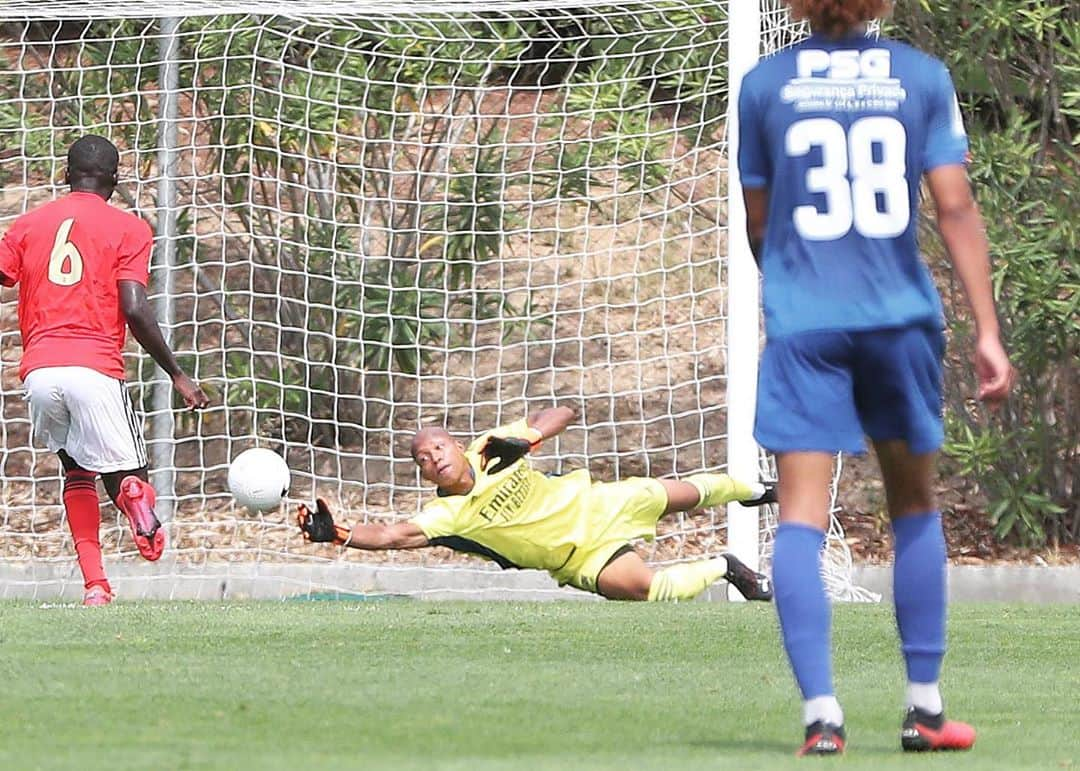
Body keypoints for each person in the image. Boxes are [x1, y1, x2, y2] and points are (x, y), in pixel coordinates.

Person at [737, 0, 1014, 756]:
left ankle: (821, 716)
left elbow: (761, 224)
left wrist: (798, 289)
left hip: (805, 323)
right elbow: (954, 205)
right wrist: (987, 330)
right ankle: (924, 710)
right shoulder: (921, 76)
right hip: (898, 320)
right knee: (914, 503)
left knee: (800, 514)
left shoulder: (764, 84)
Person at [0, 135, 209, 606]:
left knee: (75, 470)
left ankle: (96, 585)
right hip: (94, 366)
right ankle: (133, 496)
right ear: (114, 181)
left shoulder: (29, 223)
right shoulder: (129, 228)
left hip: (39, 371)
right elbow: (134, 308)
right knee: (127, 473)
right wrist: (176, 373)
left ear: (64, 174)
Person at [297, 406, 776, 603]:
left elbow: (564, 412)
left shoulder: (491, 447)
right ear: (423, 473)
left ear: (457, 446)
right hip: (579, 557)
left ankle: (756, 490)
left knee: (689, 494)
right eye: (422, 459)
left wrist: (529, 438)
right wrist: (340, 533)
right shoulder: (445, 516)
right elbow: (392, 535)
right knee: (647, 590)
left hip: (598, 505)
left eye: (438, 448)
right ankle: (726, 566)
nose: (433, 459)